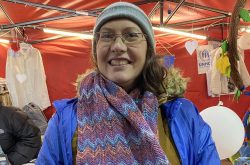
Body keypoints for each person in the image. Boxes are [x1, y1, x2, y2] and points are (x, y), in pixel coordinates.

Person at [36, 2, 220, 165]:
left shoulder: (183, 114)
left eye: (131, 35)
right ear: (95, 50)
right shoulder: (65, 121)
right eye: (107, 36)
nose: (118, 46)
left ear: (148, 49)